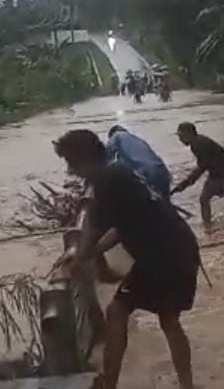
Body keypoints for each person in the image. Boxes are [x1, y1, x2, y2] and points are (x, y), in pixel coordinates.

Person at [53, 130, 200, 389]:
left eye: (70, 162)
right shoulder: (118, 172)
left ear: (82, 158)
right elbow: (121, 228)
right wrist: (89, 253)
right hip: (178, 248)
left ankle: (110, 385)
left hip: (162, 256)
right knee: (168, 320)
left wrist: (76, 259)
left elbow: (93, 233)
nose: (70, 170)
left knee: (118, 311)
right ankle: (187, 385)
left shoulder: (106, 180)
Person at [172, 122, 224, 229]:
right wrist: (186, 183)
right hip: (216, 174)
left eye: (181, 136)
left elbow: (201, 168)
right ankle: (208, 227)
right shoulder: (196, 143)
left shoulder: (200, 144)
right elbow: (203, 166)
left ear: (189, 134)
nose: (180, 139)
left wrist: (184, 184)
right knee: (204, 199)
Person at [107, 125, 172, 201]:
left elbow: (105, 157)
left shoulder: (117, 136)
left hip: (147, 173)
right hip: (163, 171)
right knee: (165, 206)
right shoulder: (138, 141)